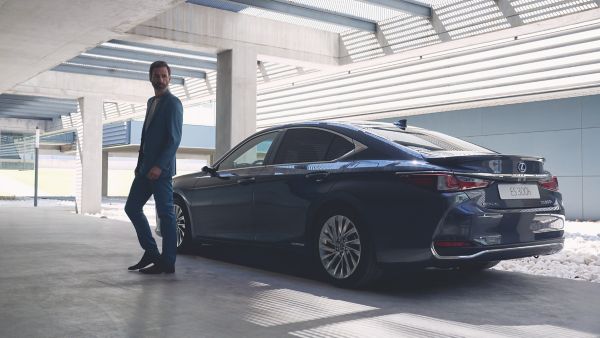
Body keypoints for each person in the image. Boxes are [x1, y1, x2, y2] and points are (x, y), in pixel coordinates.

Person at [125, 61, 183, 274]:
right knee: (131, 207)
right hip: (143, 170)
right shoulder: (151, 102)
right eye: (156, 76)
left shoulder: (173, 103)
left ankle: (167, 262)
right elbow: (146, 137)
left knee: (166, 214)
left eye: (163, 76)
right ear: (150, 78)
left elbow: (173, 139)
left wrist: (159, 165)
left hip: (161, 171)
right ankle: (151, 251)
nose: (160, 80)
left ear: (170, 78)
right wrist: (140, 164)